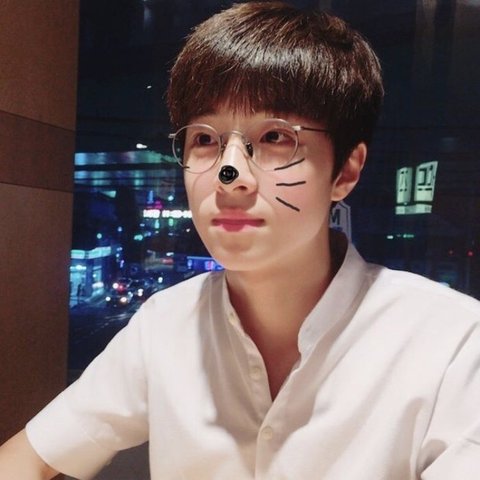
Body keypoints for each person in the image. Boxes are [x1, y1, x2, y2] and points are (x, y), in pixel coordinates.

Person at [1, 2, 480, 479]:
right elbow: (32, 456)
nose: (229, 177)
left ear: (346, 171)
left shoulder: (452, 344)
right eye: (205, 139)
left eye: (275, 137)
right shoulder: (166, 324)